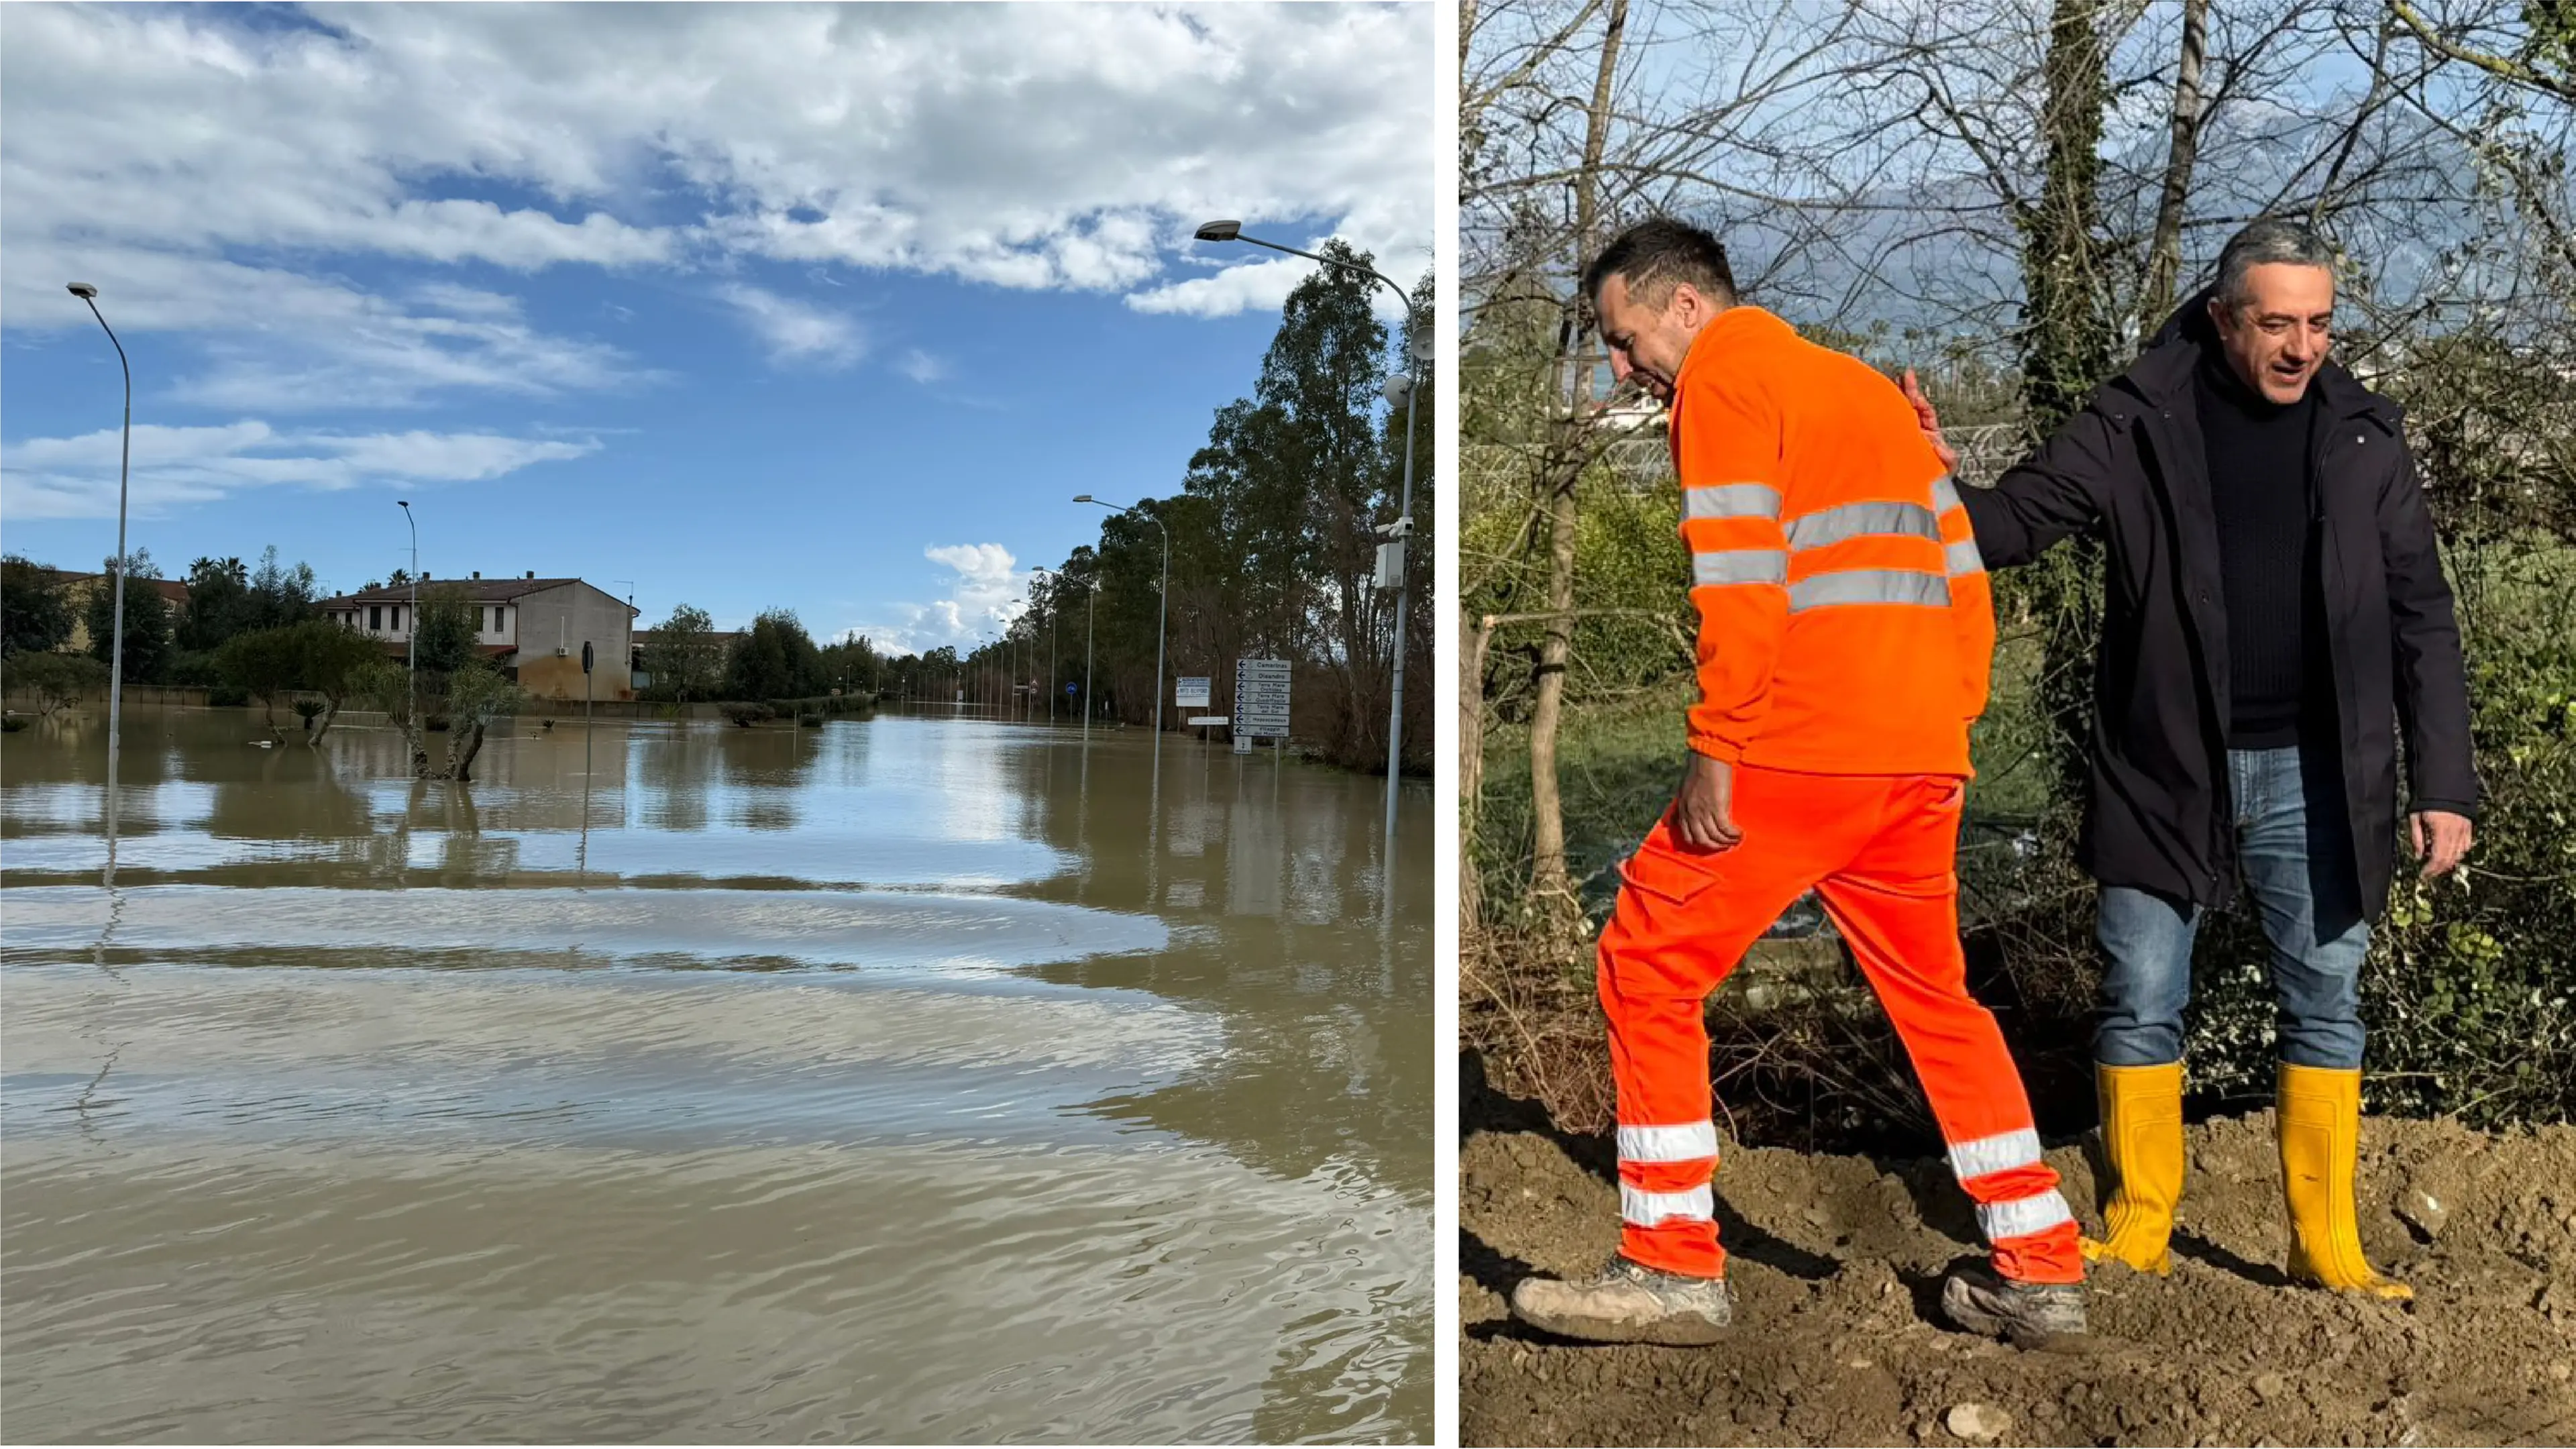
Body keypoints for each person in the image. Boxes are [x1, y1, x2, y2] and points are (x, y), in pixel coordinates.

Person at [1507, 219, 2088, 1348]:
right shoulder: (1871, 396)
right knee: (1939, 1003)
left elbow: (1739, 583)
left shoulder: (1724, 386)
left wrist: (1719, 744)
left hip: (1795, 748)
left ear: (1687, 306)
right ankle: (2041, 1268)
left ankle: (1672, 1268)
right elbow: (1961, 565)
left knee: (1644, 964)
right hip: (1917, 753)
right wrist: (1948, 707)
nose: (1621, 369)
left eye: (1624, 341)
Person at [1899, 217, 2478, 1299]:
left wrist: (2444, 782)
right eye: (2278, 324)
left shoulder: (2365, 436)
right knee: (2140, 998)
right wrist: (1927, 476)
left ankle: (2327, 1249)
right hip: (2162, 767)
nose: (2303, 347)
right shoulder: (2135, 422)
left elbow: (2422, 617)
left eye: (2319, 323)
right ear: (2223, 320)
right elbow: (2010, 524)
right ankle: (2139, 1227)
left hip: (2323, 776)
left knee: (2326, 1005)